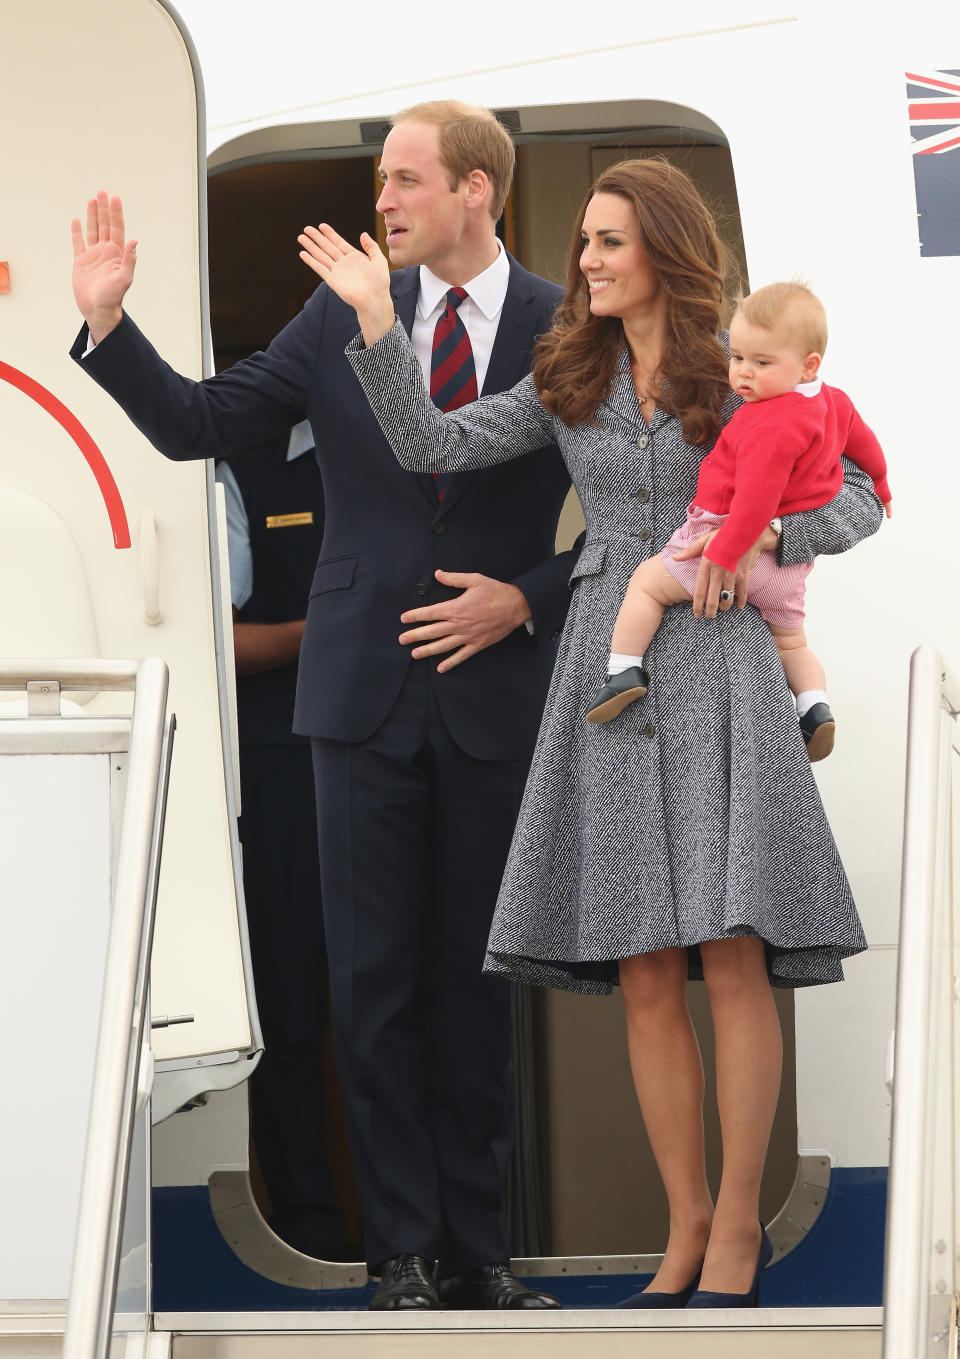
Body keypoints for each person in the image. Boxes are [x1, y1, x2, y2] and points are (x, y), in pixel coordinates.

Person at [297, 156, 882, 1309]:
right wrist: (376, 325)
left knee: (731, 957)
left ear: (661, 246)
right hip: (607, 664)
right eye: (586, 245)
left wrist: (755, 549)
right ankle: (687, 1225)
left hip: (719, 657)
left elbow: (858, 497)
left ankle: (739, 1234)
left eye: (609, 242)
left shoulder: (745, 363)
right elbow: (433, 445)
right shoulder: (568, 366)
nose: (588, 262)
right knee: (650, 969)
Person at [69, 101, 571, 1311]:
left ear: (475, 193)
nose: (383, 202)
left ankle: (479, 1255)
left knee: (479, 980)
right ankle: (399, 1251)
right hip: (355, 697)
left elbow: (635, 512)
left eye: (405, 181)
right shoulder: (338, 309)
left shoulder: (567, 323)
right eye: (382, 181)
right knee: (374, 981)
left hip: (493, 691)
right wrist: (107, 323)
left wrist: (528, 599)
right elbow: (200, 423)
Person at [584, 282, 892, 762]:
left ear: (809, 363)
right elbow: (867, 446)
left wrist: (726, 551)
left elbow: (754, 501)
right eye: (739, 358)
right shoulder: (833, 401)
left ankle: (623, 669)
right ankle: (814, 708)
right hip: (789, 570)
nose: (744, 373)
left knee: (645, 585)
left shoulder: (769, 423)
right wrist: (884, 485)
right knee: (791, 639)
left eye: (761, 363)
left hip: (724, 540)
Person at [215, 421, 350, 1260]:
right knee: (290, 1006)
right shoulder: (244, 465)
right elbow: (213, 641)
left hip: (421, 754)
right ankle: (313, 1233)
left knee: (409, 1003)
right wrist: (334, 628)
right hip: (281, 761)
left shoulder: (438, 445)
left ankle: (437, 1238)